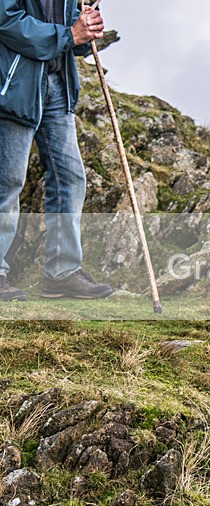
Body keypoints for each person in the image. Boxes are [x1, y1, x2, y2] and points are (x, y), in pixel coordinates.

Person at [0, 0, 112, 301]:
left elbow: (69, 32)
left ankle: (62, 273)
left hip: (57, 85)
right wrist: (68, 35)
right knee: (7, 181)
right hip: (13, 86)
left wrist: (84, 31)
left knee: (70, 178)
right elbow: (6, 20)